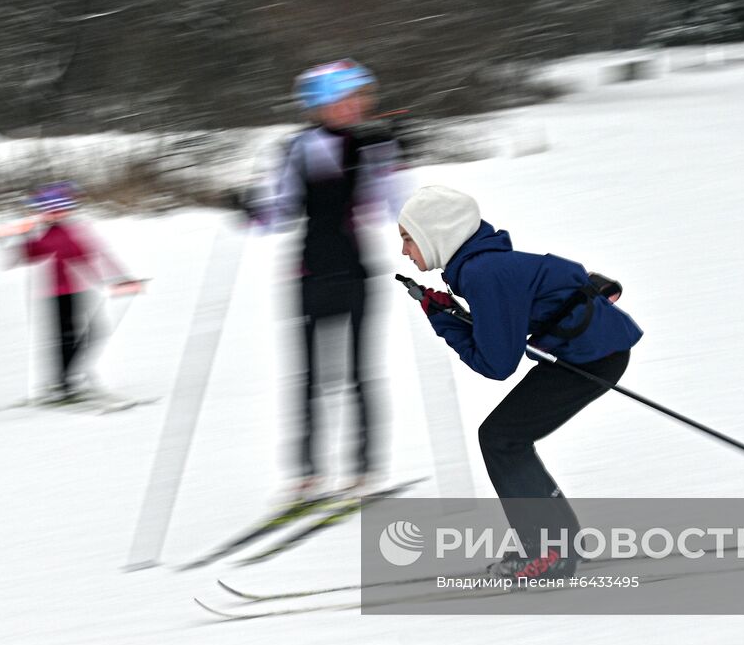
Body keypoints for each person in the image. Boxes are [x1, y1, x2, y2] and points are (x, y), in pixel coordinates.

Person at [397, 185, 642, 581]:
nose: (405, 251)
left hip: (595, 356)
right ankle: (556, 543)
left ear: (437, 233)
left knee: (502, 438)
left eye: (409, 238)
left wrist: (443, 320)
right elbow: (504, 329)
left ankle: (552, 550)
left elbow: (496, 363)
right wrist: (451, 312)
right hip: (591, 350)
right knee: (503, 437)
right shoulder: (480, 267)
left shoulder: (482, 273)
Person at [249, 60, 406, 499]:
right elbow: (276, 212)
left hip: (357, 269)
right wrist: (249, 208)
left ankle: (364, 469)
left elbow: (394, 205)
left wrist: (398, 160)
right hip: (309, 271)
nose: (356, 105)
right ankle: (307, 472)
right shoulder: (297, 148)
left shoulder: (375, 144)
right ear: (320, 105)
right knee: (310, 375)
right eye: (344, 99)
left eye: (360, 97)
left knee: (360, 371)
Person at [0, 181, 141, 400]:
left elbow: (97, 256)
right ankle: (65, 385)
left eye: (61, 209)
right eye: (52, 211)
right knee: (65, 339)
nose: (57, 214)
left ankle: (66, 381)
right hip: (55, 294)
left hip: (77, 291)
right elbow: (20, 259)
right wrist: (15, 242)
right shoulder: (46, 235)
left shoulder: (74, 230)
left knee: (90, 333)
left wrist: (120, 279)